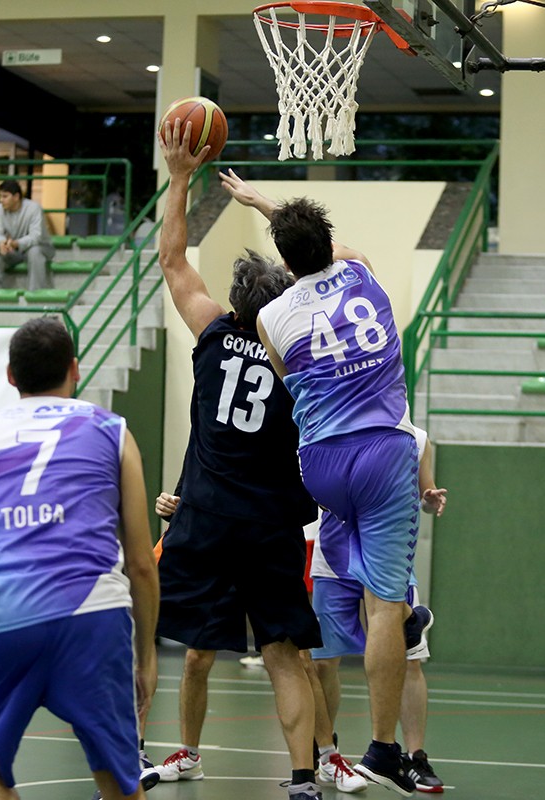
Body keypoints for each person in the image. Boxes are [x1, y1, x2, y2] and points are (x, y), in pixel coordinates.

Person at [226, 171, 427, 796]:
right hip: (382, 450)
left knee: (344, 553)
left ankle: (372, 606)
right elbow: (327, 247)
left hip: (319, 464)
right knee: (384, 604)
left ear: (286, 262)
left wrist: (263, 206)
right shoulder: (362, 272)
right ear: (329, 242)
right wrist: (269, 204)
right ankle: (385, 748)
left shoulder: (271, 315)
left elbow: (290, 380)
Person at [153, 118, 323, 800]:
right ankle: (304, 778)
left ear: (236, 304)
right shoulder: (298, 354)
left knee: (163, 641)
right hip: (271, 522)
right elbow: (340, 262)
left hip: (208, 518)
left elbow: (173, 260)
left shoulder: (213, 334)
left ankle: (139, 755)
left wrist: (179, 177)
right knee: (284, 656)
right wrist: (273, 209)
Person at [0, 317, 159, 800]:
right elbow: (142, 563)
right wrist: (146, 658)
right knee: (120, 778)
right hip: (94, 619)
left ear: (10, 376)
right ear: (74, 369)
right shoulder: (113, 430)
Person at [311, 429, 448, 794]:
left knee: (409, 660)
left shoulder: (417, 440)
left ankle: (415, 756)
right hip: (333, 559)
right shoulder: (331, 426)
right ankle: (326, 752)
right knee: (322, 662)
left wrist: (429, 499)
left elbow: (425, 495)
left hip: (388, 560)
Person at [0, 178, 56, 291]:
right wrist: (1, 243)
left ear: (16, 197)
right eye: (0, 196)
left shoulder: (34, 208)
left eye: (5, 196)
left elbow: (36, 236)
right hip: (14, 250)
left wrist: (16, 243)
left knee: (34, 251)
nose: (1, 200)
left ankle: (35, 294)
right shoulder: (0, 209)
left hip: (40, 248)